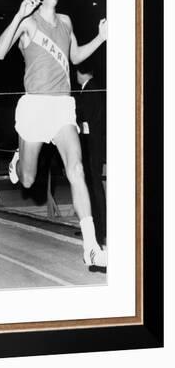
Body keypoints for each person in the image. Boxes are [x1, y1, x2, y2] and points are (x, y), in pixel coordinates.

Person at [0, 0, 107, 267]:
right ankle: (20, 157)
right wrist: (18, 15)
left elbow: (76, 57)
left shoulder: (66, 22)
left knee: (77, 169)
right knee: (28, 180)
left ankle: (92, 247)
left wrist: (101, 37)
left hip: (61, 107)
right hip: (34, 107)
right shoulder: (28, 23)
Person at [76, 63, 107, 246]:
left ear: (81, 73)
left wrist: (76, 129)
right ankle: (96, 228)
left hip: (91, 145)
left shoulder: (90, 90)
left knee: (93, 186)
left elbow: (91, 120)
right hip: (92, 143)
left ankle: (100, 229)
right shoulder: (90, 88)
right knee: (91, 185)